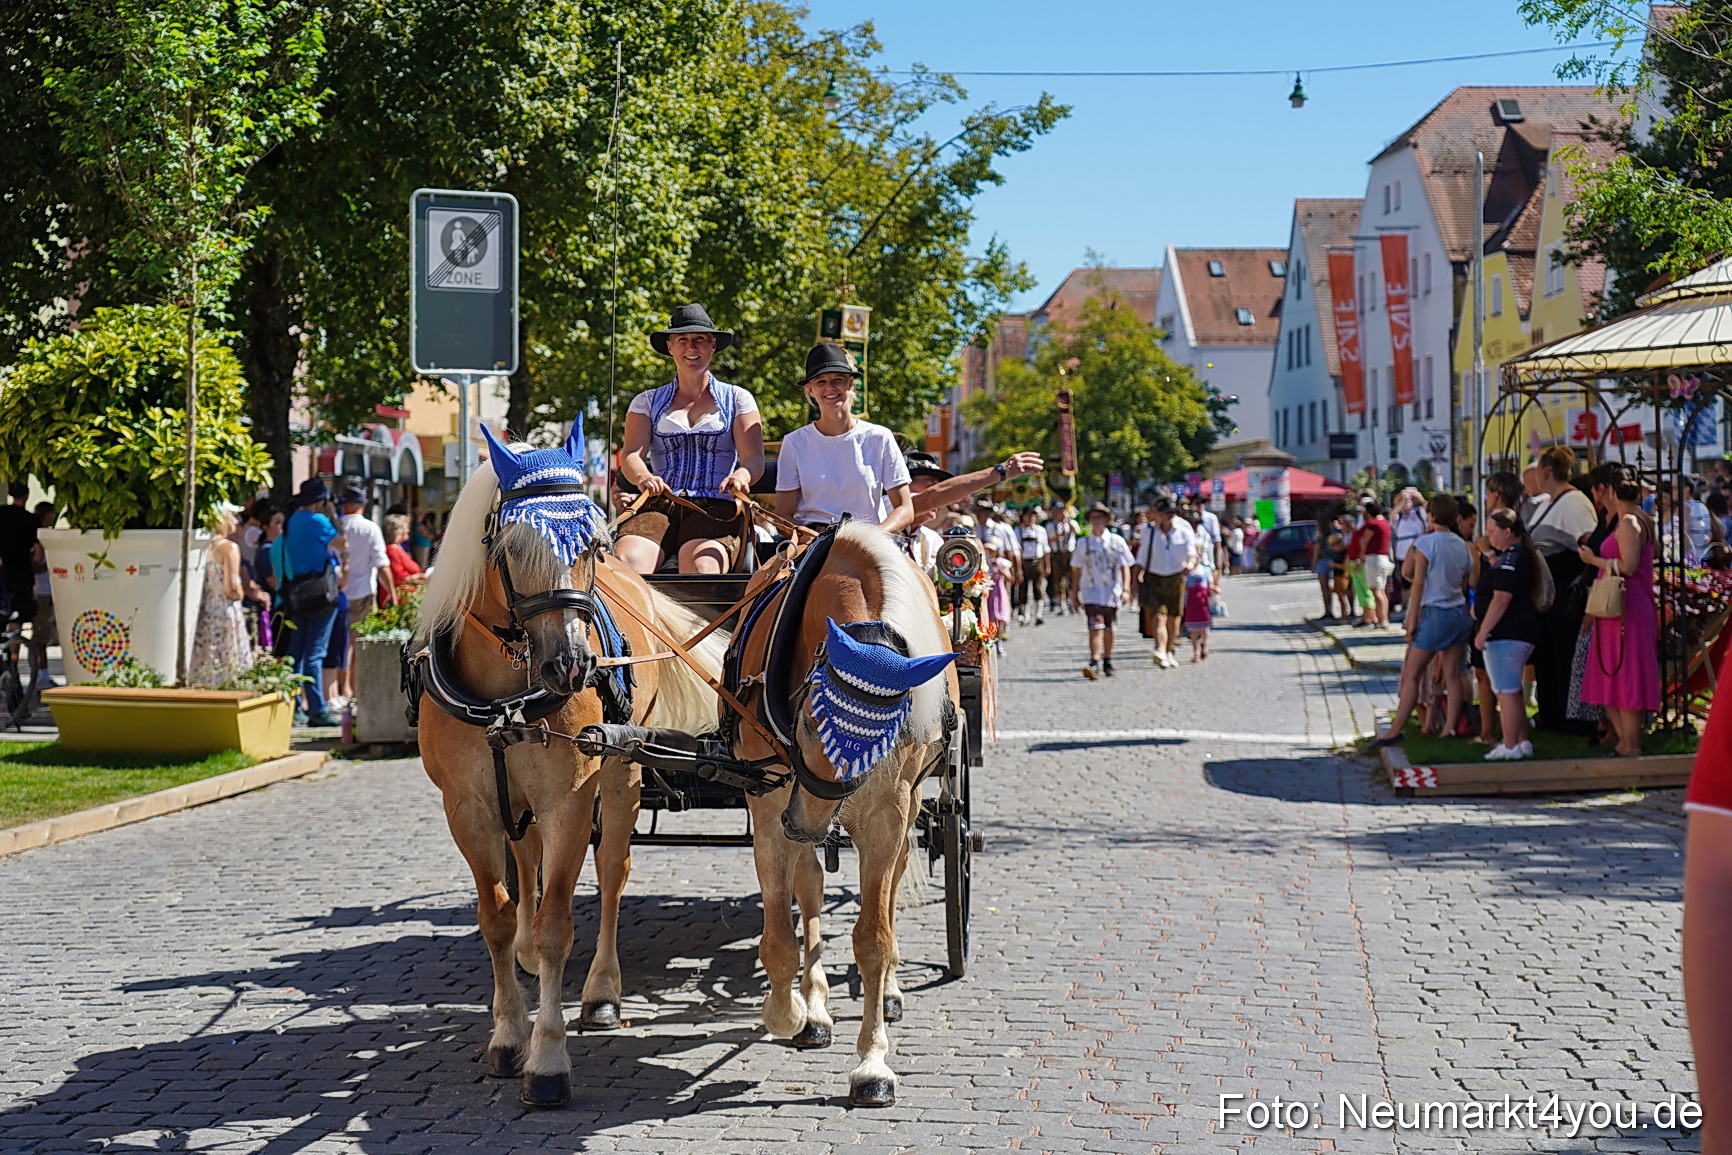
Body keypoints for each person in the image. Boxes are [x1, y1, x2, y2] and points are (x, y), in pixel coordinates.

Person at [616, 304, 766, 574]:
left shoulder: (737, 398)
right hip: (660, 503)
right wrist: (643, 477)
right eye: (682, 340)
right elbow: (631, 456)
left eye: (699, 339)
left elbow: (754, 458)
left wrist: (742, 476)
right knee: (627, 562)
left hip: (716, 505)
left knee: (701, 567)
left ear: (713, 346)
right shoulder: (646, 401)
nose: (691, 347)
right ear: (670, 347)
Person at [1371, 494, 1475, 747]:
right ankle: (1449, 728)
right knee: (1453, 674)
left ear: (1431, 515)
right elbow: (1466, 583)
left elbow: (1414, 582)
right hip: (1458, 613)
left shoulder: (1426, 543)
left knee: (1412, 675)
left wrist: (1410, 622)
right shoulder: (1463, 545)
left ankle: (1395, 730)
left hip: (1434, 612)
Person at [775, 343, 912, 533]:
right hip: (814, 540)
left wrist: (876, 537)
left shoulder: (880, 438)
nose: (829, 388)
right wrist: (815, 540)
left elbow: (905, 509)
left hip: (869, 540)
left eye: (837, 380)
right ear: (810, 390)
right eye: (820, 381)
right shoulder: (794, 443)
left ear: (850, 383)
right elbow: (783, 514)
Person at [1579, 462, 1660, 758]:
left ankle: (1630, 744)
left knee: (1624, 672)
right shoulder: (1639, 518)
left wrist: (1593, 561)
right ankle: (1625, 742)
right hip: (1622, 606)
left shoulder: (1629, 523)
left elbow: (1628, 566)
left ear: (1612, 491)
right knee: (1612, 673)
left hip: (1626, 606)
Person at [1525, 446, 1599, 734]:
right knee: (1547, 654)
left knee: (1564, 653)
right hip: (1547, 595)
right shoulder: (1547, 502)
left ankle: (1573, 719)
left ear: (1546, 471)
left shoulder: (1574, 503)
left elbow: (1589, 544)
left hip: (1564, 592)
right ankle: (1551, 713)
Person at [1474, 508, 1548, 760]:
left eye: (1492, 532)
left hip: (1507, 634)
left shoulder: (1511, 558)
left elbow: (1502, 598)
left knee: (1505, 692)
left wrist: (1484, 630)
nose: (1489, 537)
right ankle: (1520, 741)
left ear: (1507, 532)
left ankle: (1508, 746)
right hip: (1518, 632)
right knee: (1512, 691)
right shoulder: (1515, 555)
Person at [272, 477, 345, 726]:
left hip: (297, 593)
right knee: (315, 652)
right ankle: (317, 709)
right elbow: (341, 543)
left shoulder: (292, 520)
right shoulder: (318, 520)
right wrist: (332, 513)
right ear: (320, 500)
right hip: (320, 594)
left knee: (297, 653)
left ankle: (293, 708)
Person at [337, 485, 393, 701]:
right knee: (358, 642)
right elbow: (381, 564)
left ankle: (342, 690)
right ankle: (355, 689)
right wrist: (392, 592)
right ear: (361, 505)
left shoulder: (336, 527)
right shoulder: (370, 528)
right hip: (363, 592)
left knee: (342, 643)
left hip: (339, 592)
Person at [1070, 501, 1134, 679]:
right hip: (1091, 591)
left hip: (1112, 590)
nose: (1097, 521)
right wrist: (1074, 594)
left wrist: (1126, 589)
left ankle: (1108, 658)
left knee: (1109, 626)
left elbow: (1125, 566)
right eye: (1093, 517)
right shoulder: (1083, 543)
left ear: (1107, 519)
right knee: (1095, 625)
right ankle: (1094, 660)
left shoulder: (1116, 541)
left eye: (1100, 517)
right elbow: (1077, 569)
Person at [191, 503, 253, 686]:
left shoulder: (200, 545)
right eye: (232, 516)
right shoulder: (229, 547)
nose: (236, 521)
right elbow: (231, 587)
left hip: (204, 609)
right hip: (225, 609)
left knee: (206, 661)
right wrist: (241, 593)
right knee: (230, 660)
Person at [1133, 496, 1197, 669]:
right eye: (1166, 513)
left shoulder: (1184, 529)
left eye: (1172, 513)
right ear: (1158, 514)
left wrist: (1190, 565)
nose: (1170, 516)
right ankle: (1159, 649)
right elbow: (1141, 557)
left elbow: (1192, 552)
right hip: (1155, 577)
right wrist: (1135, 579)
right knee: (1158, 616)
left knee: (1173, 618)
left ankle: (1168, 651)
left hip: (1176, 577)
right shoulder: (1150, 532)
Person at [0, 482, 39, 633]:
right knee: (18, 615)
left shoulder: (1, 514)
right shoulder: (31, 520)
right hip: (22, 572)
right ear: (27, 495)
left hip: (3, 570)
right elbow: (38, 554)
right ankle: (14, 654)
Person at [1389, 488, 1427, 615]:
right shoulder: (1398, 516)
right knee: (1405, 579)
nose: (1407, 502)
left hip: (1419, 548)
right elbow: (1392, 514)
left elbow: (1428, 510)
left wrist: (1419, 497)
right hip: (1402, 551)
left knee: (1420, 576)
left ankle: (1418, 604)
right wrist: (1401, 500)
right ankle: (1405, 606)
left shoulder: (1419, 513)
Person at [1357, 499, 1393, 628]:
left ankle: (1382, 620)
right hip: (1383, 558)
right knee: (1382, 591)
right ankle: (1383, 618)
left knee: (1376, 591)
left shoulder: (1373, 524)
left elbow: (1364, 541)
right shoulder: (1385, 523)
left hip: (1373, 558)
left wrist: (1361, 556)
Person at [1011, 507, 1049, 626]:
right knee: (1023, 589)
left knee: (1038, 588)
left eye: (1033, 516)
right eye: (1028, 515)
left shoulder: (1041, 531)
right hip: (1023, 562)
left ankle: (1039, 614)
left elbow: (1046, 549)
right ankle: (1025, 615)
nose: (1031, 518)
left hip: (1037, 561)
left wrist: (1047, 565)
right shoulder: (1017, 531)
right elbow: (1014, 550)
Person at [382, 512, 423, 599]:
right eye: (405, 527)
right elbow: (399, 578)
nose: (407, 530)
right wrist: (418, 577)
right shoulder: (391, 550)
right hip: (401, 597)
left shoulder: (397, 547)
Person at [1046, 501, 1076, 615]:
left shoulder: (1071, 523)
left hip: (1069, 553)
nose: (1061, 513)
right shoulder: (1050, 525)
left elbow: (1077, 531)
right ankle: (1062, 604)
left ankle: (1072, 601)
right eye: (1059, 511)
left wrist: (1068, 521)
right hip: (1057, 553)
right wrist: (1058, 536)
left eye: (1063, 511)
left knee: (1072, 578)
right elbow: (1047, 540)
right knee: (1059, 580)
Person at [1311, 517, 1340, 621]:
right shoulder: (1332, 535)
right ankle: (1331, 610)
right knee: (1331, 588)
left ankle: (1327, 611)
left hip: (1322, 561)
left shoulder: (1320, 537)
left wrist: (1313, 565)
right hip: (1331, 560)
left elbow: (1316, 551)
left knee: (1324, 588)